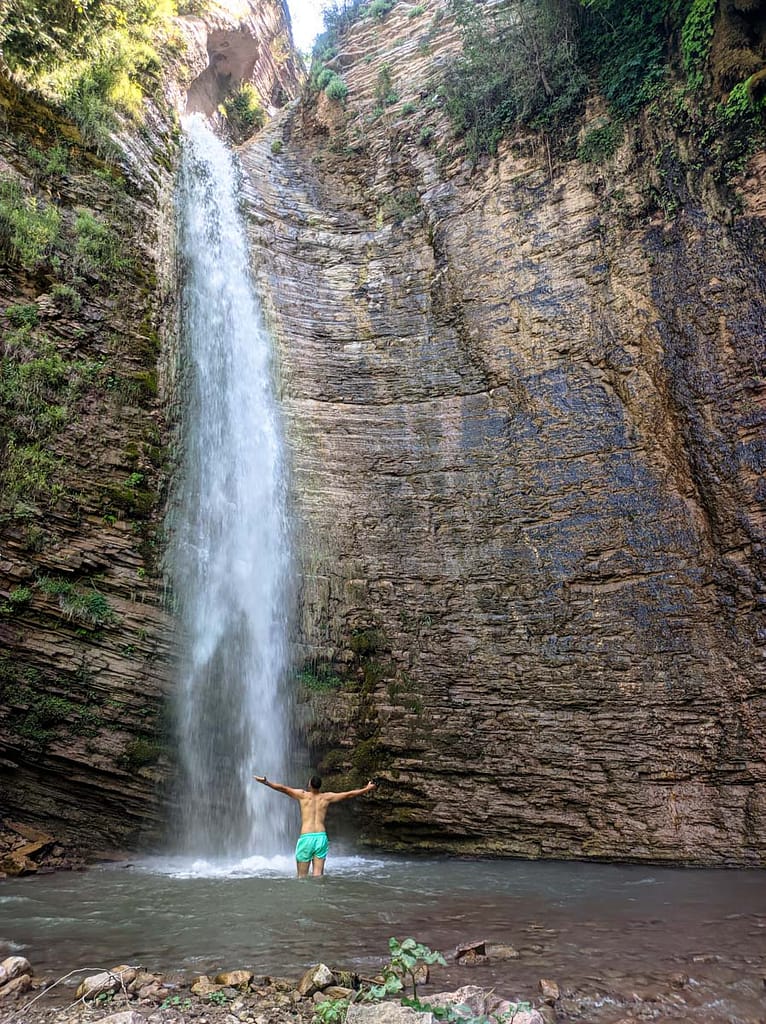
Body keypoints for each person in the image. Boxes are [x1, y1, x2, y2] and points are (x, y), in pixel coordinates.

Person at [253, 773, 375, 877]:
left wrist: (266, 782)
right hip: (321, 837)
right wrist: (367, 788)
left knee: (302, 876)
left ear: (310, 784)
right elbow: (349, 794)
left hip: (307, 837)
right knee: (318, 876)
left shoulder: (302, 795)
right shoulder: (327, 797)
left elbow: (283, 789)